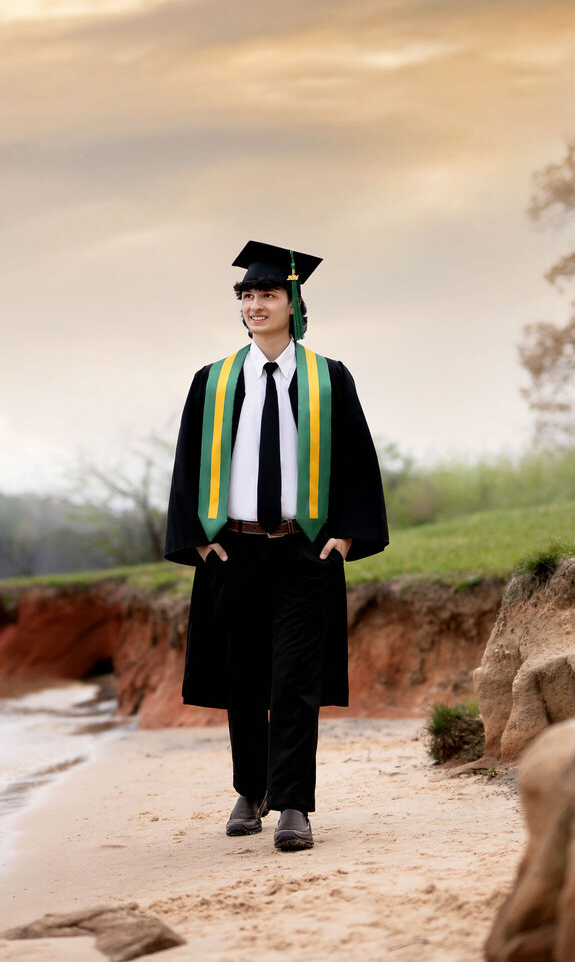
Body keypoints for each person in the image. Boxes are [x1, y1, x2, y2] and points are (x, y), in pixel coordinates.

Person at [163, 240, 388, 851]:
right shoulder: (212, 381)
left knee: (293, 679)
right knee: (244, 677)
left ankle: (292, 803)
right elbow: (188, 466)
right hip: (233, 551)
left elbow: (357, 460)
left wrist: (344, 535)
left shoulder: (327, 378)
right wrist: (199, 542)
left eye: (267, 295)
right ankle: (250, 790)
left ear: (293, 303)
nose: (255, 304)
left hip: (303, 550)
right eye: (247, 296)